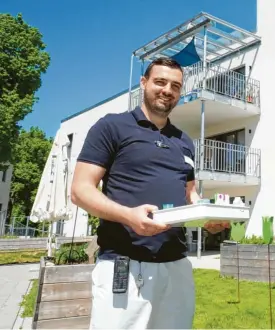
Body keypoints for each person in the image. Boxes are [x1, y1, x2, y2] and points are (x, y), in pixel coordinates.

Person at [71, 57, 227, 329]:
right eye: (160, 82)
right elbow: (80, 190)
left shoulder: (184, 141)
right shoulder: (112, 126)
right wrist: (128, 216)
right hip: (124, 263)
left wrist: (208, 217)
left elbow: (190, 196)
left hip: (176, 266)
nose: (168, 90)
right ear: (143, 83)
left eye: (176, 86)